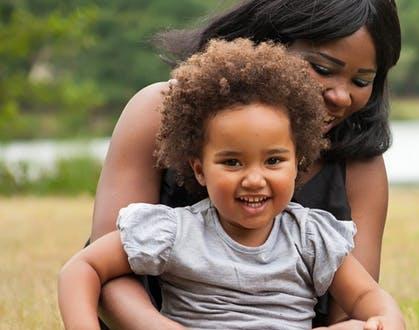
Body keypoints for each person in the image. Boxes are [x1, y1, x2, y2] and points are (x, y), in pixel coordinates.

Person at [88, 0, 401, 328]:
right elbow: (106, 273)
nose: (341, 96)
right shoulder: (157, 111)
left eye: (362, 81)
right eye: (322, 69)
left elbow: (356, 309)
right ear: (271, 41)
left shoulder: (360, 165)